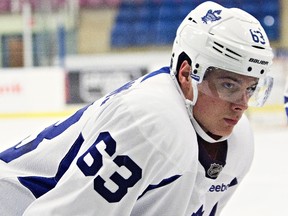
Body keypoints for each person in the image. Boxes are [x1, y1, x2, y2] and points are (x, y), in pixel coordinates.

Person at [0, 1, 274, 215]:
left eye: (250, 88)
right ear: (186, 74)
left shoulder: (239, 143)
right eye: (228, 85)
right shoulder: (152, 122)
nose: (242, 104)